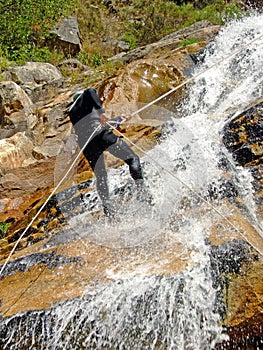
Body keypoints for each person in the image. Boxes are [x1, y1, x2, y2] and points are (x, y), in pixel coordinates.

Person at [68, 87, 147, 217]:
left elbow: (92, 125)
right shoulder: (85, 98)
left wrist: (119, 119)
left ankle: (108, 207)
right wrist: (101, 112)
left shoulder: (73, 113)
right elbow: (89, 92)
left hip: (87, 144)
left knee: (101, 175)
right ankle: (142, 191)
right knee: (132, 159)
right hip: (101, 135)